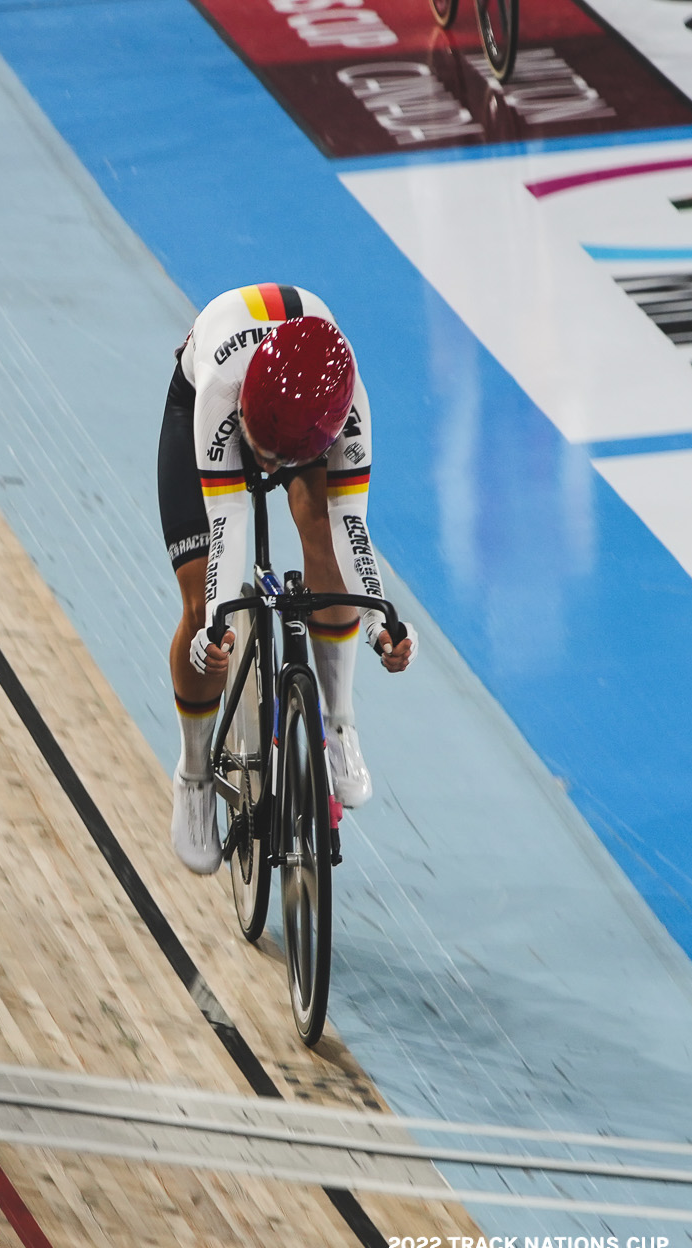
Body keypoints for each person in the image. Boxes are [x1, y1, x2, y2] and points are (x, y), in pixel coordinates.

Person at [160, 284, 417, 875]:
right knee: (202, 601)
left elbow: (352, 525)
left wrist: (382, 620)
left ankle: (338, 721)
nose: (267, 472)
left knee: (322, 539)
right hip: (211, 408)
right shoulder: (224, 387)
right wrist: (215, 629)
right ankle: (194, 774)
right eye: (264, 456)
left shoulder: (346, 400)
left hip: (298, 422)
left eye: (280, 463)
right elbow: (228, 521)